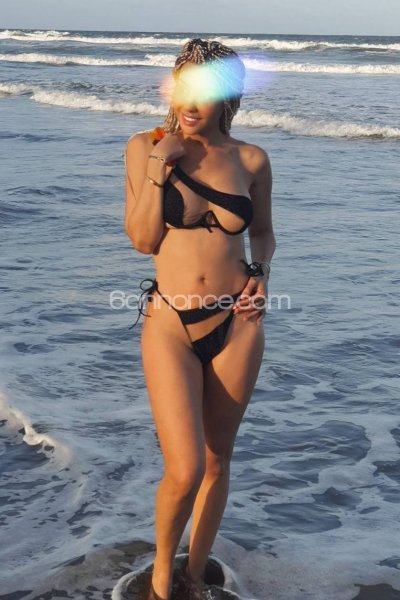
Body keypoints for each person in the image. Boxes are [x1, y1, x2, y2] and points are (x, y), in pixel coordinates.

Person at [124, 38, 276, 600]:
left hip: (238, 323)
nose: (192, 102)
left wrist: (261, 274)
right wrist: (160, 168)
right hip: (170, 324)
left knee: (217, 461)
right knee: (184, 469)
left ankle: (194, 574)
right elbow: (143, 239)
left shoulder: (251, 159)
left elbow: (263, 232)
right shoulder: (145, 146)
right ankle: (162, 581)